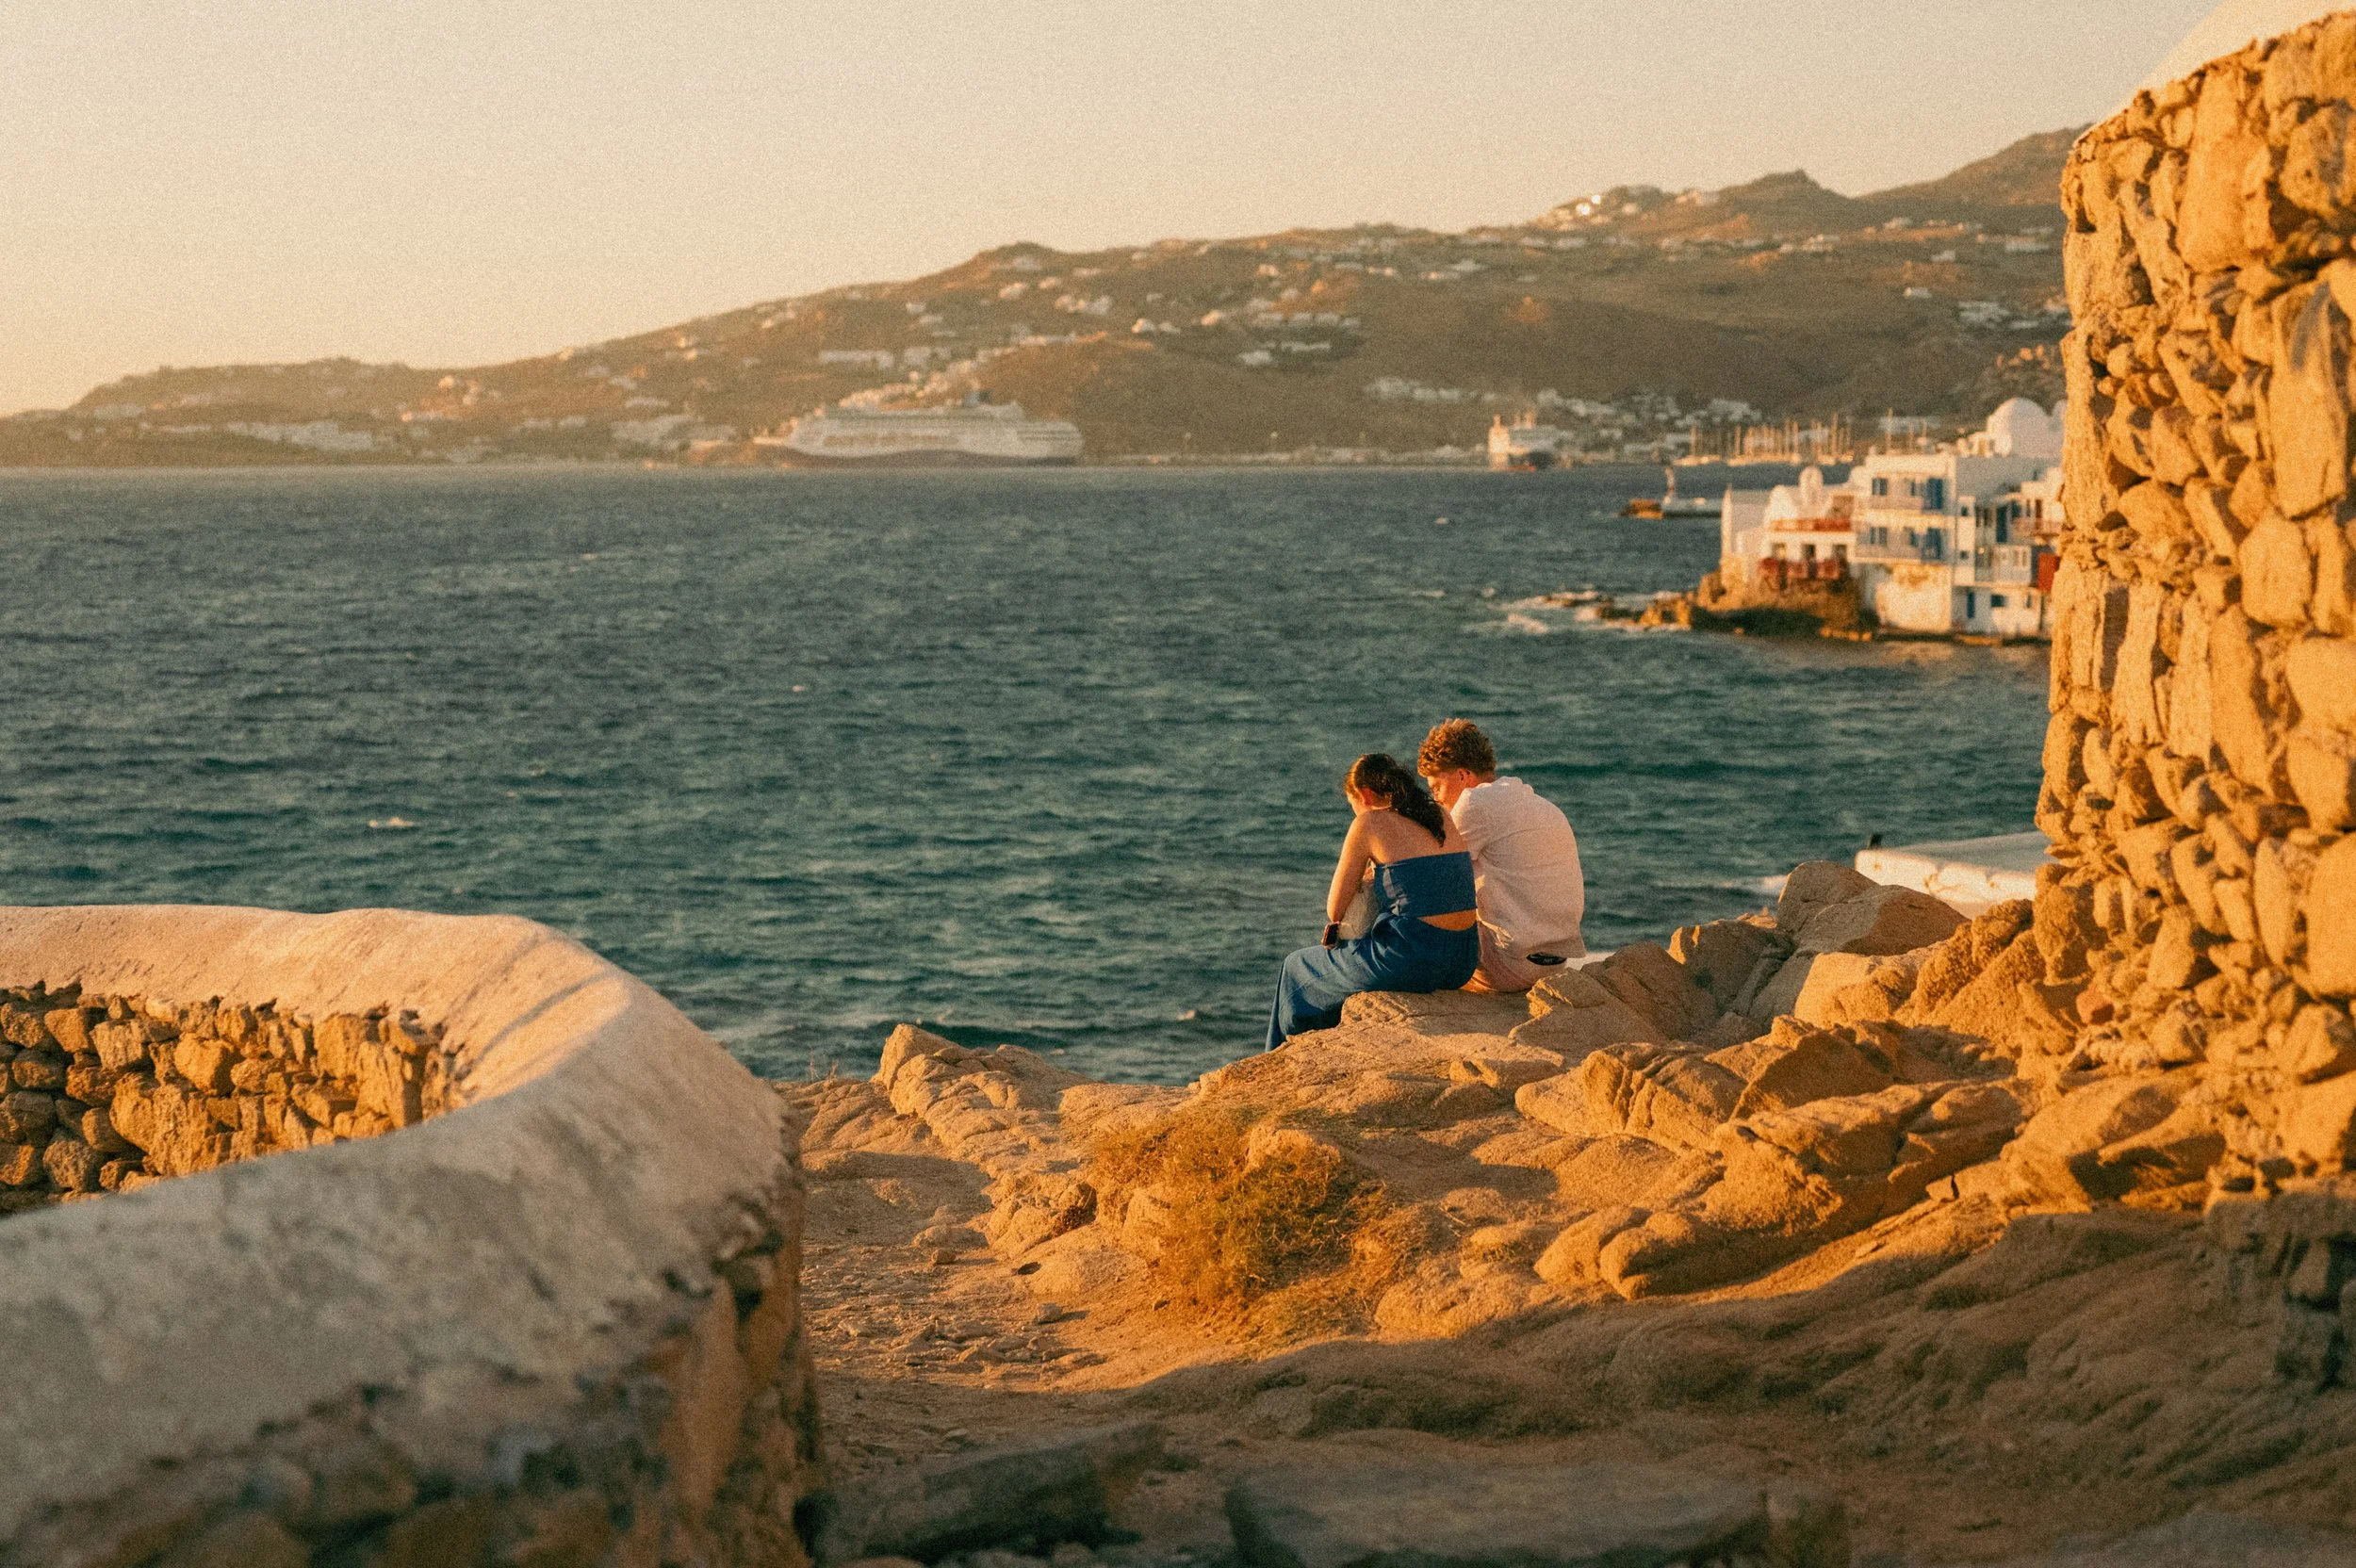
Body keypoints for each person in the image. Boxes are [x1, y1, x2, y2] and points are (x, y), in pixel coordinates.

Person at [1265, 754, 1481, 1051]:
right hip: (1462, 958)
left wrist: (1366, 879)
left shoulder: (1368, 823)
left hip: (1411, 959)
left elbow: (1335, 909)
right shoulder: (1439, 815)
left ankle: (1281, 1059)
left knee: (1296, 967)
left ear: (1364, 795)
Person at [1416, 719, 1586, 993]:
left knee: (1400, 885)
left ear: (1462, 775)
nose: (1437, 799)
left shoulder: (1474, 803)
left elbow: (1427, 873)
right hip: (1555, 965)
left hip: (1510, 966)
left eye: (1437, 787)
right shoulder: (1540, 804)